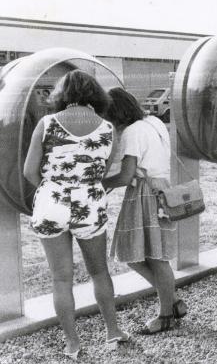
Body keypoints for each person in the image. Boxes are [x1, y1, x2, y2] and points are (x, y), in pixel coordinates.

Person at [23, 70, 129, 359]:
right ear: (95, 94)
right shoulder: (107, 128)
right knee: (99, 272)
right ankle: (113, 332)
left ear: (63, 94)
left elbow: (29, 172)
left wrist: (54, 189)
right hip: (89, 204)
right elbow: (104, 171)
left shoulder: (47, 123)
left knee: (61, 279)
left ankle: (73, 343)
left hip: (51, 204)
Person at [103, 87, 187, 334]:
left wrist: (101, 184)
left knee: (142, 256)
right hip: (162, 190)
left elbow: (126, 175)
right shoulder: (154, 122)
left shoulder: (131, 131)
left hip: (143, 194)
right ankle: (172, 302)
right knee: (155, 255)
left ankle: (165, 316)